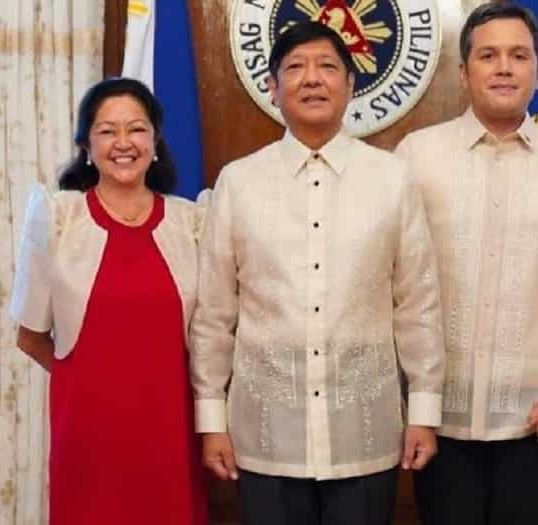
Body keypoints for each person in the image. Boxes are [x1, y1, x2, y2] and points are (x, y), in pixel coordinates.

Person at [188, 21, 445, 525]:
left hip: (365, 434)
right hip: (265, 437)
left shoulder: (391, 180)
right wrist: (211, 420)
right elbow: (214, 314)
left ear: (351, 86)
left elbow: (418, 304)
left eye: (327, 67)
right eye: (295, 68)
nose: (312, 79)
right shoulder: (238, 183)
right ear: (273, 87)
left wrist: (424, 413)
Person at [395, 3, 538, 523]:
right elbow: (397, 284)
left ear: (537, 71)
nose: (504, 67)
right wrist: (411, 403)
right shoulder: (415, 156)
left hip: (536, 422)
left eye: (519, 55)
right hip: (437, 422)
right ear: (464, 71)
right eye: (488, 55)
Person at [9, 77, 208, 524]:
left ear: (155, 141)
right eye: (107, 131)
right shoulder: (59, 217)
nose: (123, 143)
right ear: (86, 145)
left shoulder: (192, 222)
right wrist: (89, 379)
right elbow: (30, 334)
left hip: (171, 432)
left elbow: (212, 333)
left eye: (136, 129)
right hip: (87, 435)